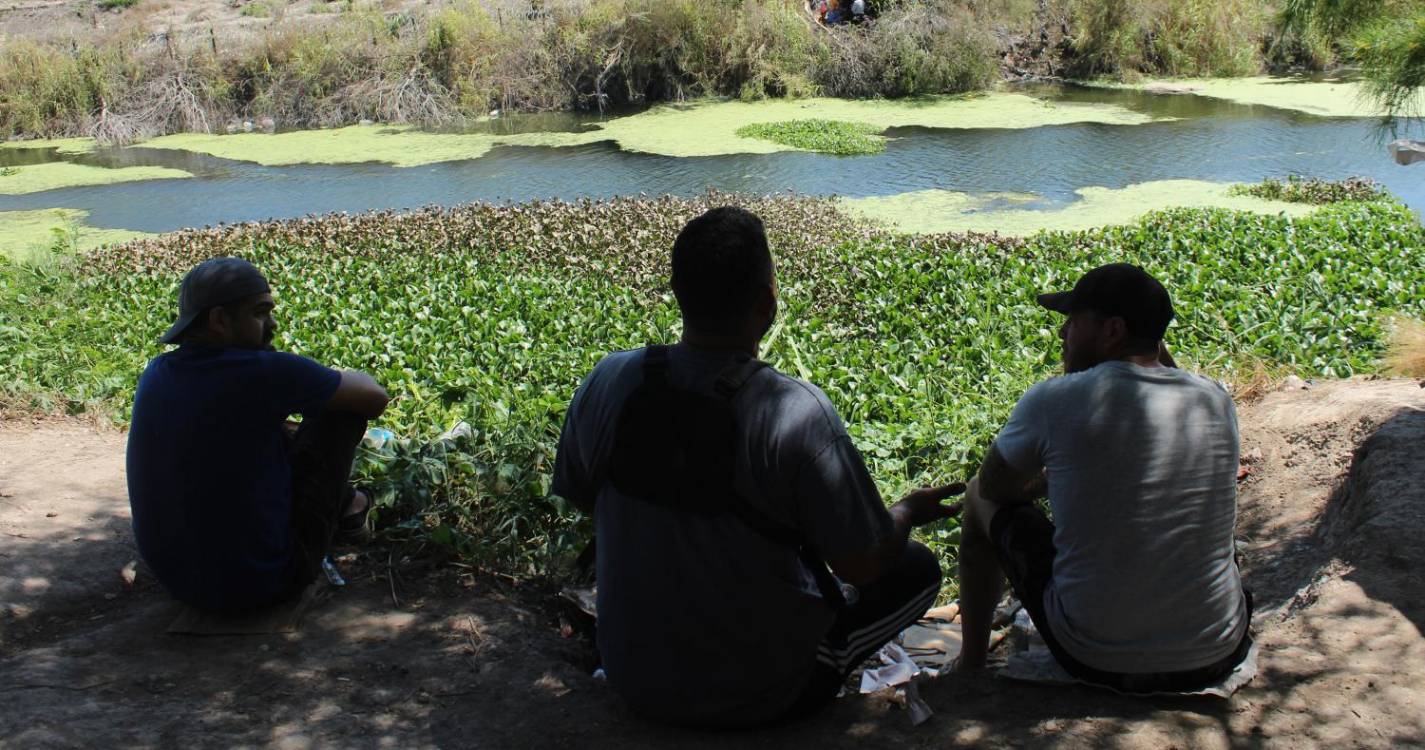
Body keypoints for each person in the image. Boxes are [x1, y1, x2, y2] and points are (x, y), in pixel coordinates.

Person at [552, 207, 961, 727]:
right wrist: (903, 511)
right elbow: (862, 566)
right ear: (768, 303)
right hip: (760, 693)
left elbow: (583, 495)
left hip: (634, 676)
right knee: (918, 570)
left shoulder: (610, 380)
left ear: (676, 290)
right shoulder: (797, 411)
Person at [954, 263, 1252, 693]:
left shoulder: (1056, 399)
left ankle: (970, 666)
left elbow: (997, 488)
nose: (1062, 336)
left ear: (1112, 330)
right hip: (1215, 652)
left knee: (976, 496)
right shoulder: (1214, 398)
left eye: (1072, 323)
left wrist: (1045, 481)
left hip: (1096, 656)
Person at [127, 257, 390, 612]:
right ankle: (352, 507)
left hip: (181, 583)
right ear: (219, 320)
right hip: (263, 584)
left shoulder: (157, 371)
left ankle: (347, 504)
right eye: (260, 313)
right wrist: (319, 378)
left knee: (269, 426)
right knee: (341, 413)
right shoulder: (264, 372)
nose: (272, 324)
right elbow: (374, 397)